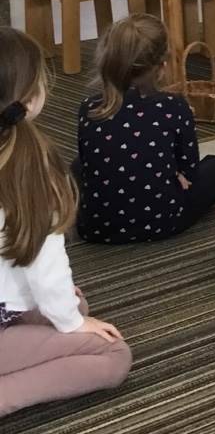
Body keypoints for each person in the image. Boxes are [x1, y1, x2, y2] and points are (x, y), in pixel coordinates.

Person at [0, 27, 131, 417]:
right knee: (112, 354)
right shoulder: (29, 168)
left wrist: (65, 310)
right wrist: (71, 323)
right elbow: (43, 261)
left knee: (74, 301)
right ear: (29, 99)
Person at [76, 15, 215, 243]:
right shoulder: (174, 105)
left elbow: (87, 166)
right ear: (162, 66)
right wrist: (173, 172)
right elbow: (189, 170)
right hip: (163, 221)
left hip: (96, 227)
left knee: (78, 164)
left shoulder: (89, 107)